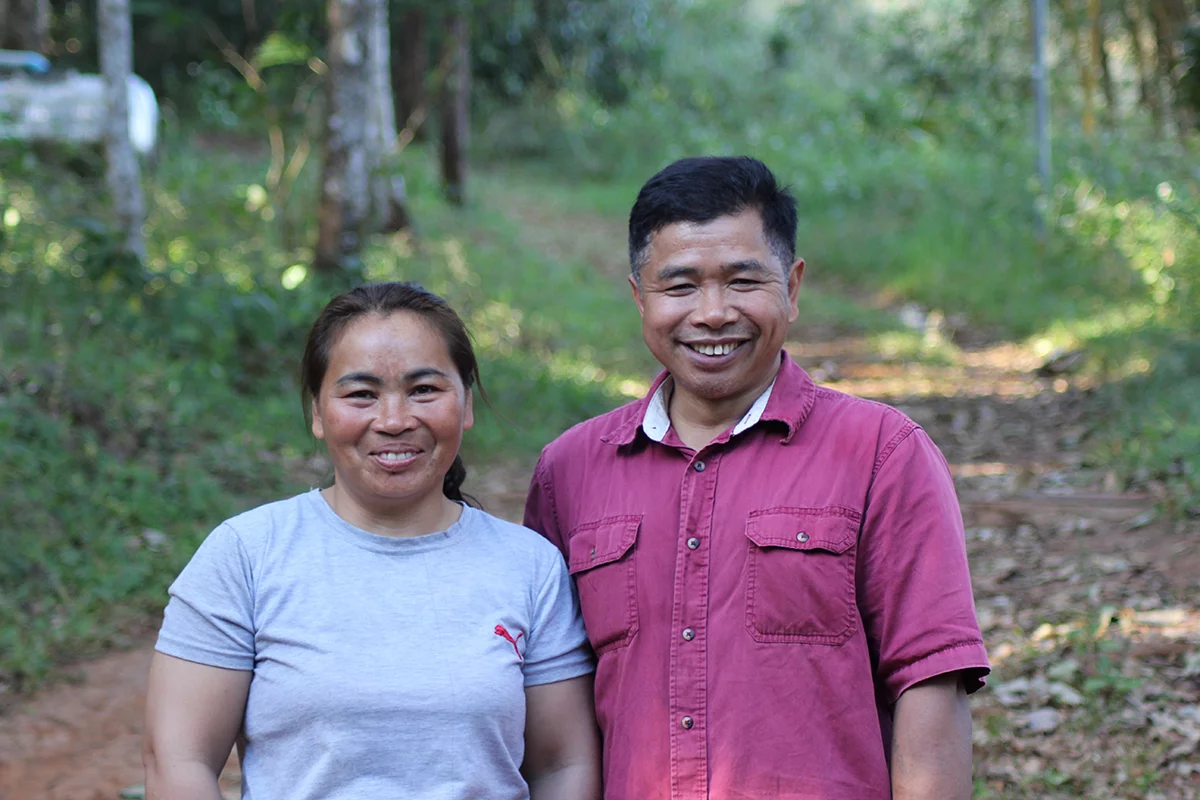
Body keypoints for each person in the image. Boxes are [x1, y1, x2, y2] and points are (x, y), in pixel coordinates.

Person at [524, 156, 990, 799]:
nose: (713, 314)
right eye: (680, 286)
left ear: (792, 288)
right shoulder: (569, 471)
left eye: (743, 281)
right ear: (639, 297)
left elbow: (929, 679)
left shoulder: (883, 453)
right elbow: (555, 716)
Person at [144, 282, 601, 800]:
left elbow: (563, 766)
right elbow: (178, 760)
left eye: (424, 390)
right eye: (361, 394)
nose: (393, 421)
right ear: (318, 412)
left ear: (465, 405)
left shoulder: (530, 566)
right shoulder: (246, 556)